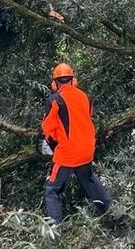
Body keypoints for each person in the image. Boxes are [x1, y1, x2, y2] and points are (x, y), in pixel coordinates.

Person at [41, 62, 112, 225]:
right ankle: (114, 214)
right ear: (73, 80)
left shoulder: (54, 100)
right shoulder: (85, 97)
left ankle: (54, 233)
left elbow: (47, 129)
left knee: (52, 189)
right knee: (89, 180)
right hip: (86, 150)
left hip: (67, 153)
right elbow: (85, 119)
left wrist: (51, 145)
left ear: (54, 82)